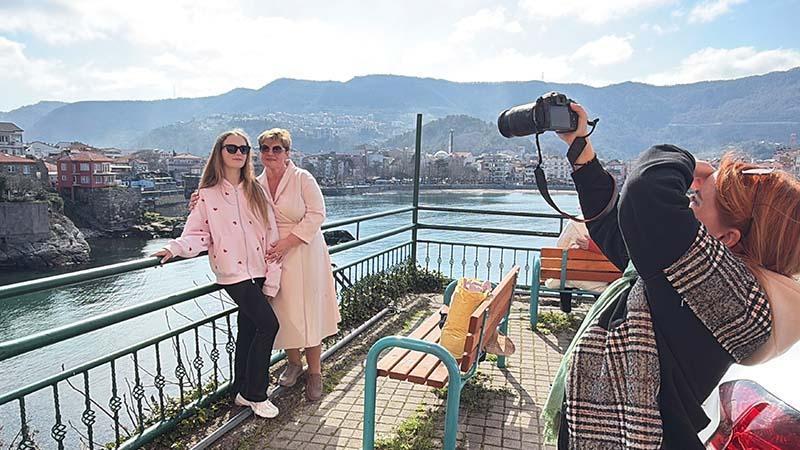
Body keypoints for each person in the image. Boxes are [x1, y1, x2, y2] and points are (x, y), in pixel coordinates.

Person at [541, 103, 800, 449]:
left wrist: (691, 164)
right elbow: (618, 229)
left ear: (727, 239)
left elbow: (646, 193)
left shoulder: (735, 299)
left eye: (697, 202)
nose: (687, 206)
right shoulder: (694, 277)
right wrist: (581, 150)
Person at [153, 129, 283, 419]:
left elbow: (271, 234)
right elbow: (197, 234)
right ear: (219, 152)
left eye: (244, 149)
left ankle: (241, 390)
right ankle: (257, 394)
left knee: (250, 329)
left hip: (259, 269)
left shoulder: (257, 191)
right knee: (269, 325)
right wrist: (173, 248)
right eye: (231, 148)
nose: (238, 153)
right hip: (233, 273)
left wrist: (273, 275)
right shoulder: (207, 196)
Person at [543, 220, 608, 292]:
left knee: (566, 268)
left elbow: (560, 246)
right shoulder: (608, 224)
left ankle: (565, 299)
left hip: (571, 276)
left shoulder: (574, 223)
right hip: (602, 279)